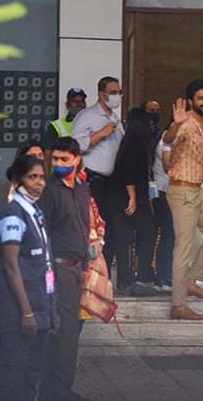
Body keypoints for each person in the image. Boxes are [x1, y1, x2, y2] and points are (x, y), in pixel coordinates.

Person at [0, 155, 58, 401]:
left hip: (41, 310)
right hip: (20, 313)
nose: (39, 183)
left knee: (32, 378)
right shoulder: (14, 215)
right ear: (17, 180)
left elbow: (45, 266)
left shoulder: (35, 214)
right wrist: (27, 312)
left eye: (42, 177)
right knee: (14, 377)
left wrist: (51, 311)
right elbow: (11, 266)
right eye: (32, 177)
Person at [163, 79, 203, 320]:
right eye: (201, 98)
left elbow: (198, 165)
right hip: (181, 192)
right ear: (191, 101)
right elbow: (168, 141)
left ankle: (191, 280)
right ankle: (178, 306)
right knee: (183, 249)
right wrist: (174, 126)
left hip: (197, 190)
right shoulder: (185, 124)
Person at [37, 137, 91, 401]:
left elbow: (84, 226)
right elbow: (41, 234)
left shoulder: (82, 187)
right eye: (55, 159)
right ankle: (56, 391)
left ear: (77, 159)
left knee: (68, 332)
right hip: (58, 268)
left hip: (76, 267)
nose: (58, 164)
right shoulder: (49, 190)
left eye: (64, 160)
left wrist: (86, 264)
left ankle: (58, 389)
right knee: (63, 333)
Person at [71, 76, 125, 272]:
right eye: (113, 92)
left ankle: (105, 273)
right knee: (94, 228)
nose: (117, 96)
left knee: (111, 229)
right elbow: (75, 146)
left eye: (119, 92)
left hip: (113, 183)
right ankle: (90, 272)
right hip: (94, 181)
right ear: (101, 94)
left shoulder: (115, 118)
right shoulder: (87, 116)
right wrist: (101, 133)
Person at [106, 108, 158, 296]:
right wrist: (133, 197)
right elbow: (129, 171)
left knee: (122, 240)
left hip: (116, 198)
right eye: (150, 123)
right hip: (130, 198)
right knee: (147, 233)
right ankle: (142, 279)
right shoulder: (137, 142)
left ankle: (125, 282)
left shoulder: (126, 141)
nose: (152, 126)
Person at [151, 121, 174, 292]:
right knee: (169, 234)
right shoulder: (168, 139)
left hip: (161, 190)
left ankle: (163, 276)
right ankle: (163, 277)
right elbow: (168, 165)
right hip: (164, 191)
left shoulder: (166, 137)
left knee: (168, 234)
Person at [43, 88, 87, 173]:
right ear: (67, 105)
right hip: (59, 177)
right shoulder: (56, 126)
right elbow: (47, 156)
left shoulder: (92, 124)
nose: (79, 105)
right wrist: (47, 181)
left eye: (82, 102)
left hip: (84, 177)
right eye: (74, 101)